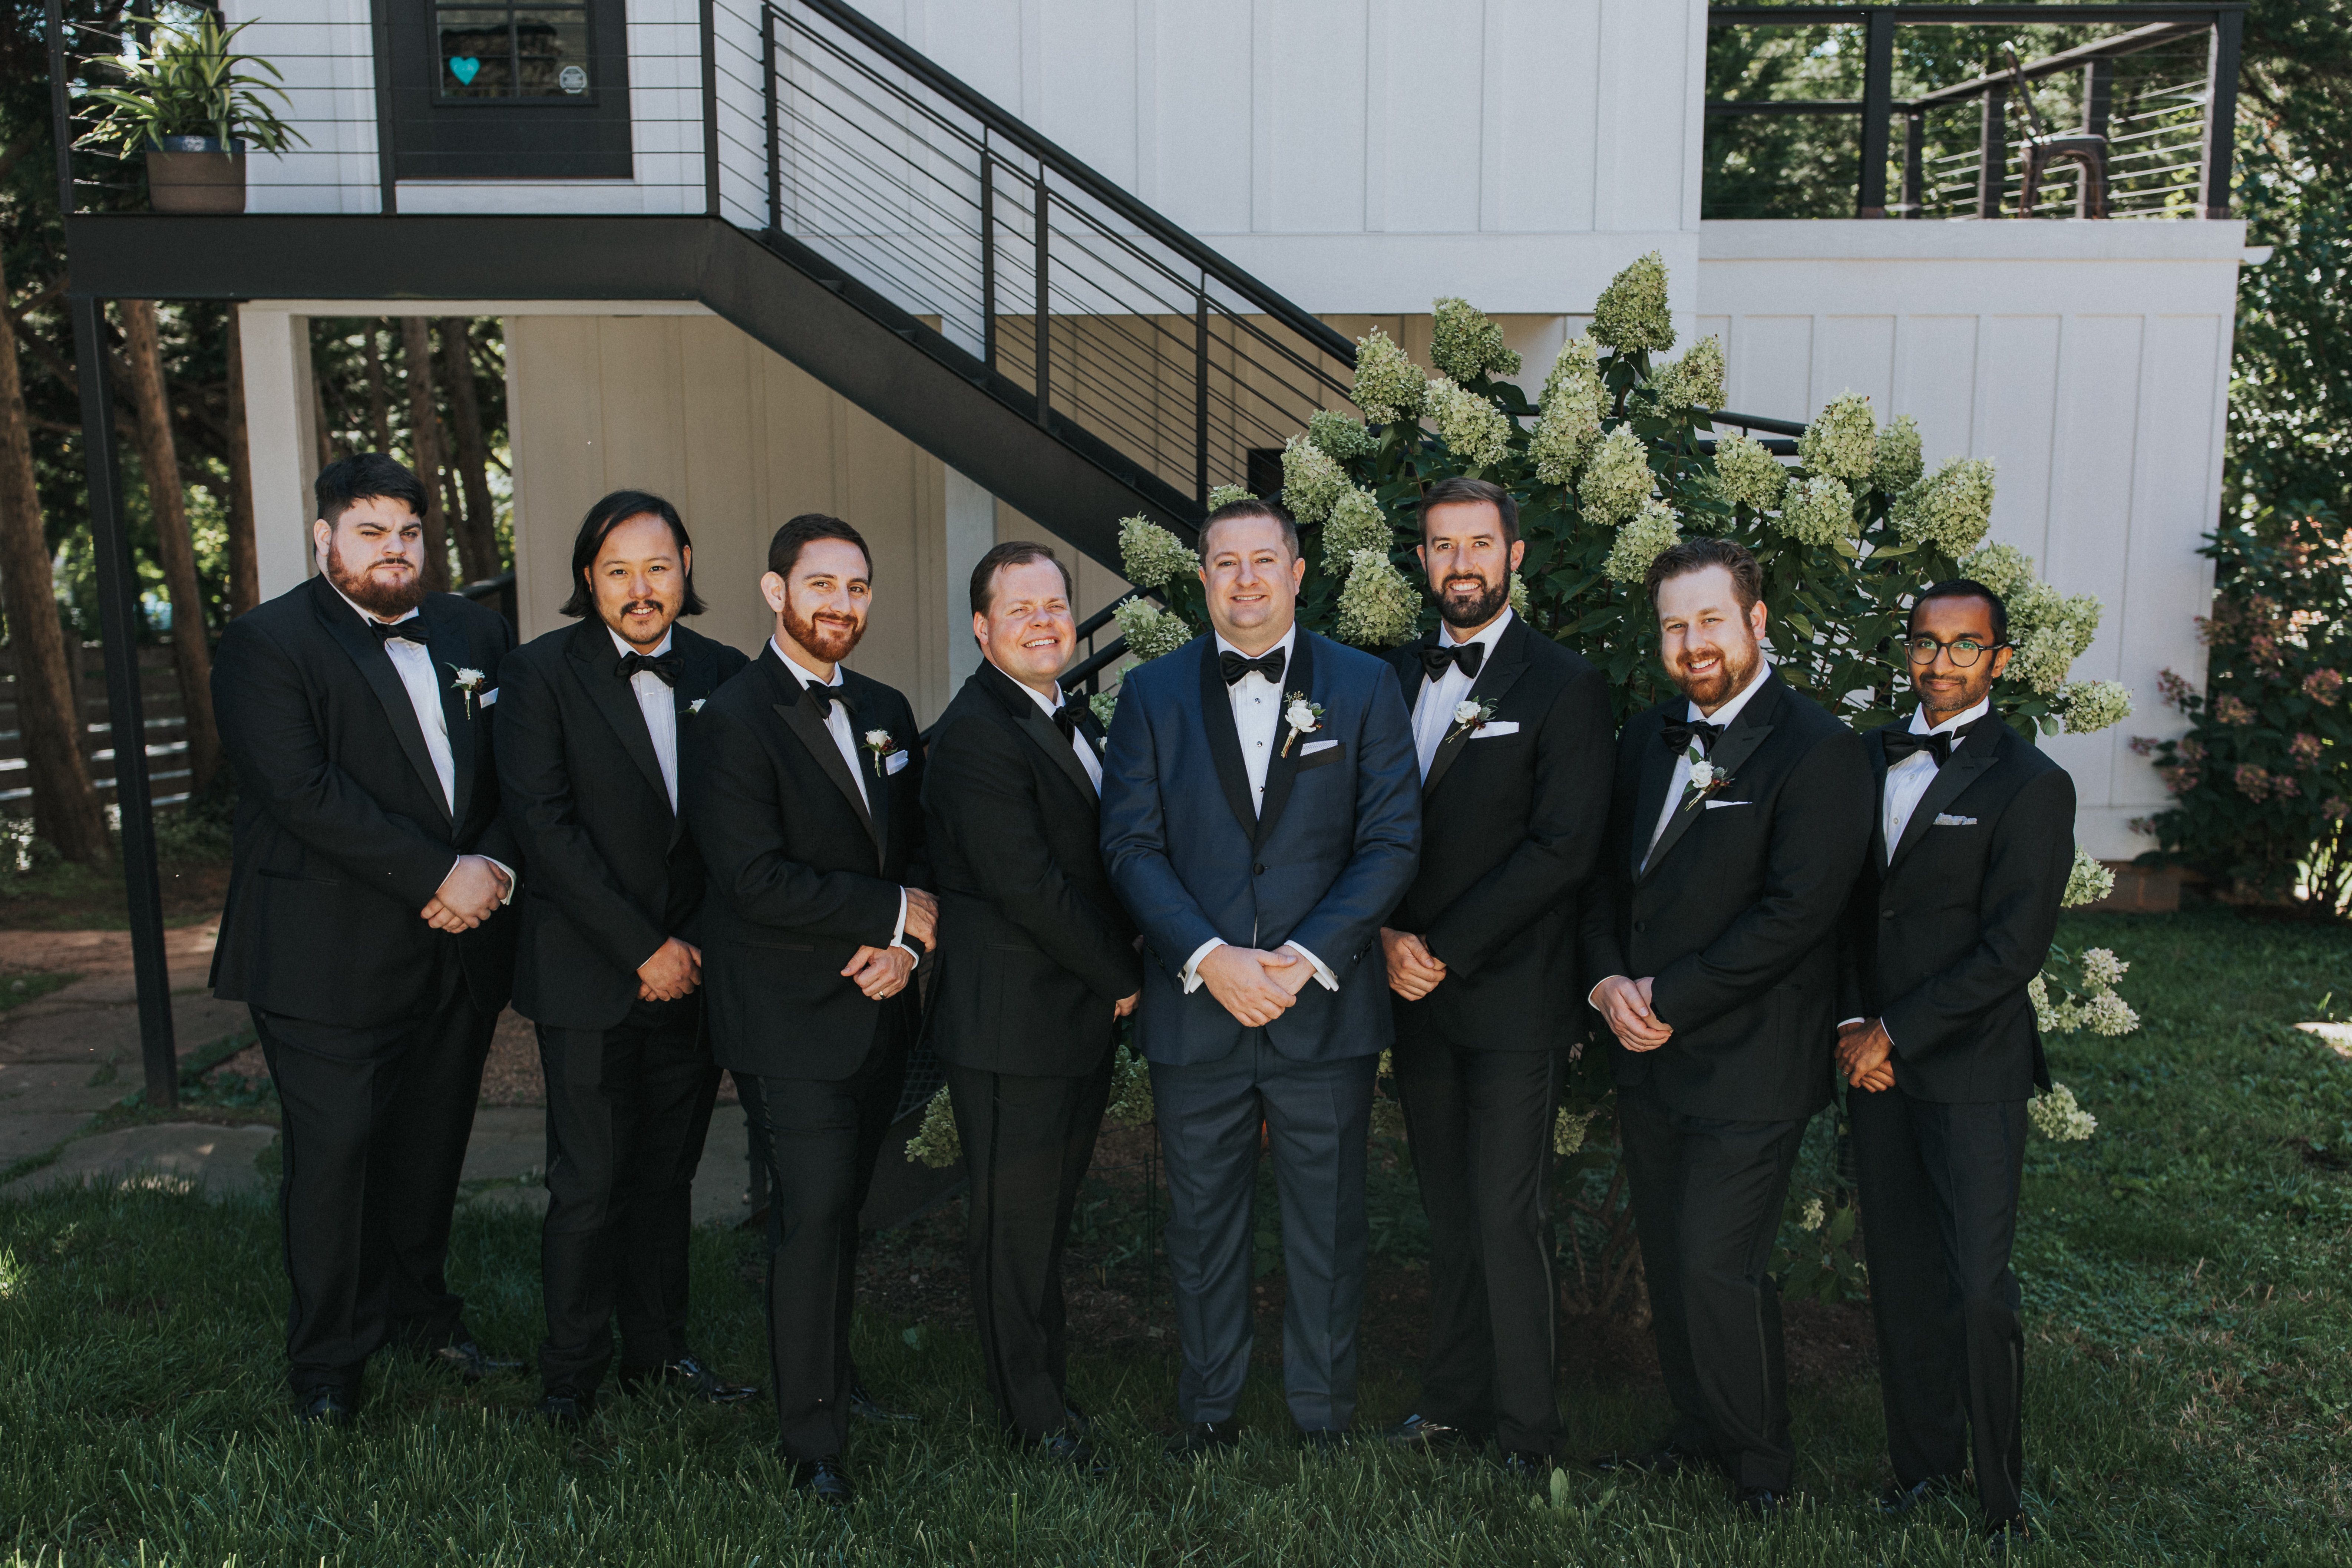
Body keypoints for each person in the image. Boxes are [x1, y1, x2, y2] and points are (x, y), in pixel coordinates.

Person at [1099, 495, 1421, 1459]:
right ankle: (1209, 1408)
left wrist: (1305, 958)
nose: (1245, 580)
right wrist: (1209, 957)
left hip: (1321, 1005)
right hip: (1197, 1006)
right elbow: (1130, 844)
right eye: (1226, 563)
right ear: (1203, 578)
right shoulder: (1149, 693)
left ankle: (1322, 1411)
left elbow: (1390, 839)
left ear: (1297, 573)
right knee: (1201, 1223)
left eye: (1263, 560)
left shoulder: (1364, 685)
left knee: (1328, 1221)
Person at [209, 452, 522, 1423]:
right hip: (325, 951)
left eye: (410, 533)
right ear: (326, 538)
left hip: (456, 944)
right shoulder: (266, 644)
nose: (395, 550)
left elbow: (518, 769)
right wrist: (440, 874)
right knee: (338, 1156)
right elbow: (302, 792)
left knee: (430, 1146)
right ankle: (328, 1365)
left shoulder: (475, 631)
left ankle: (421, 1317)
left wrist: (493, 866)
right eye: (372, 531)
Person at [1578, 537, 1871, 1515]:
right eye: (1675, 625)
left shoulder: (1819, 748)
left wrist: (1666, 996)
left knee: (1716, 1260)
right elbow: (1604, 880)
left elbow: (1796, 916)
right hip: (1645, 1048)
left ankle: (1760, 1464)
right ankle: (1697, 1429)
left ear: (1756, 621)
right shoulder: (1645, 735)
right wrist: (1606, 982)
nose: (1692, 642)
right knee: (1670, 1258)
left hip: (1752, 1058)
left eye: (1710, 620)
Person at [683, 513, 935, 1506]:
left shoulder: (886, 707)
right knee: (814, 1214)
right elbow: (751, 877)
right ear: (774, 590)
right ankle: (813, 1441)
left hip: (880, 1005)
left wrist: (907, 946)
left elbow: (915, 855)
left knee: (842, 1211)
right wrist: (891, 913)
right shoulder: (731, 717)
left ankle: (831, 1376)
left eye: (856, 587)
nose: (840, 604)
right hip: (788, 1018)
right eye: (821, 584)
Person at [494, 489, 756, 1424]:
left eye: (656, 567)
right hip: (589, 972)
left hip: (694, 973)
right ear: (588, 579)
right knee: (589, 1184)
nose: (640, 589)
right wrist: (642, 948)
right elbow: (545, 831)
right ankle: (570, 1377)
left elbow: (737, 830)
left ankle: (659, 1353)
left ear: (686, 567)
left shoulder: (726, 672)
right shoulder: (537, 676)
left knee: (665, 1178)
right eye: (617, 571)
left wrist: (693, 950)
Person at [1372, 477, 1614, 1478]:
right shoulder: (1389, 676)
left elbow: (1563, 847)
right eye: (1442, 545)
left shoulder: (1565, 683)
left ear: (1515, 556)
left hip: (1510, 992)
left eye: (1479, 544)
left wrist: (1443, 946)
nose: (1460, 563)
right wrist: (1385, 935)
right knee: (1448, 1210)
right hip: (1410, 990)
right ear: (1422, 560)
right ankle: (1450, 1403)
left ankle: (1528, 1430)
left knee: (1510, 1215)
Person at [1835, 579, 2076, 1552]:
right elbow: (1839, 907)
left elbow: (2013, 949)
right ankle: (1921, 1465)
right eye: (1925, 643)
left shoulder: (2032, 783)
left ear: (2000, 660)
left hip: (1970, 1067)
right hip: (1875, 1068)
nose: (1940, 663)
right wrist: (1853, 1026)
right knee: (1900, 1277)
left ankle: (2001, 1493)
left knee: (1977, 1285)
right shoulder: (1864, 758)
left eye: (1964, 645)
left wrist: (1895, 1030)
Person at [922, 541, 1142, 1475]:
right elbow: (1028, 886)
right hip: (1011, 1023)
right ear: (982, 628)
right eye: (1020, 610)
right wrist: (1124, 976)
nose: (1045, 623)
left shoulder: (1062, 712)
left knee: (1045, 1220)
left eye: (1055, 605)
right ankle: (1031, 1418)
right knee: (1013, 1231)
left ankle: (1046, 1389)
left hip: (1066, 1016)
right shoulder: (977, 734)